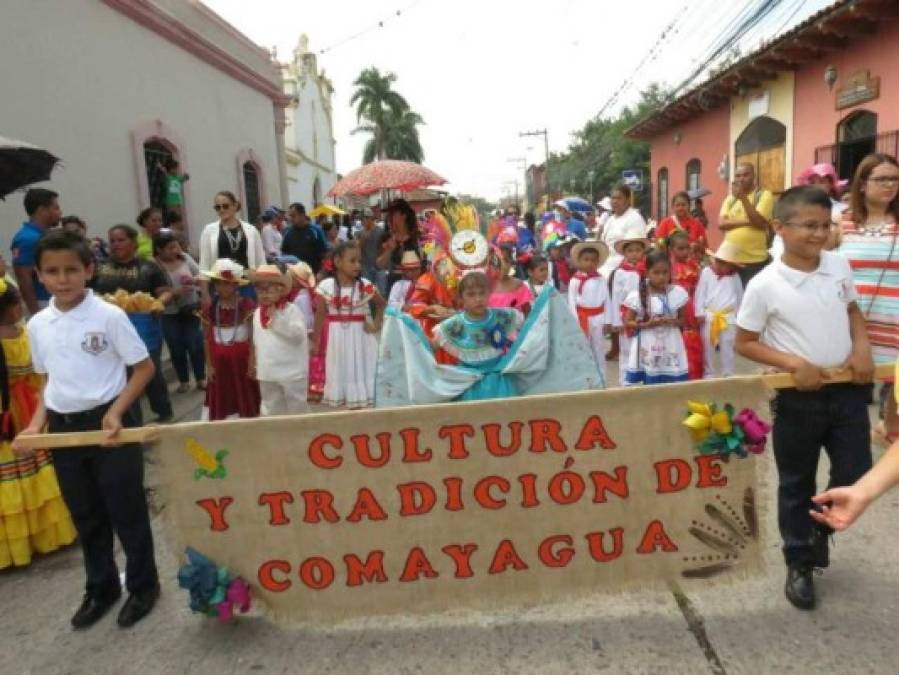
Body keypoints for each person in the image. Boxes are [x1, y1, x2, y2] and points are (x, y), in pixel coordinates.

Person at [735, 185, 874, 611]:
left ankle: (819, 533)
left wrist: (863, 347)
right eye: (809, 226)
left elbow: (852, 311)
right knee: (797, 483)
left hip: (848, 390)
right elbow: (745, 341)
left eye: (825, 225)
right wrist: (793, 363)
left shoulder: (838, 264)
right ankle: (798, 562)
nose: (819, 235)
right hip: (798, 398)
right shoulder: (764, 285)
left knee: (857, 470)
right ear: (780, 227)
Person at [14, 230, 159, 629]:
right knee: (86, 514)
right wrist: (35, 424)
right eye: (52, 271)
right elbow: (47, 382)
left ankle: (144, 587)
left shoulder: (109, 316)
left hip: (110, 425)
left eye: (71, 270)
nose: (62, 279)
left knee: (125, 510)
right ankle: (101, 587)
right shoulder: (38, 324)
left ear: (89, 270)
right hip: (65, 431)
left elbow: (143, 368)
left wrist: (115, 412)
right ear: (40, 276)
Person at [0, 280, 77, 569]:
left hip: (7, 416)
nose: (21, 304)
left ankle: (16, 547)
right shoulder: (26, 333)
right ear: (9, 308)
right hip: (34, 408)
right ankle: (52, 533)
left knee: (10, 475)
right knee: (42, 466)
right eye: (17, 300)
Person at [838, 153, 899, 447]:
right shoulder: (840, 223)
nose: (890, 185)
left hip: (894, 326)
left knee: (895, 405)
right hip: (849, 326)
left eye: (895, 179)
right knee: (847, 404)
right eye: (882, 179)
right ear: (862, 184)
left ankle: (888, 433)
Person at [93, 225, 174, 423]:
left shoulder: (148, 267)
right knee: (122, 373)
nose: (116, 244)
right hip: (109, 326)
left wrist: (158, 303)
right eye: (112, 241)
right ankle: (131, 418)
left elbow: (166, 291)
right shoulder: (100, 267)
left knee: (148, 369)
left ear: (134, 242)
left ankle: (163, 409)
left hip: (143, 324)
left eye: (121, 240)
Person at [313, 242, 385, 409]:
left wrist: (375, 324)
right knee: (341, 371)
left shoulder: (364, 286)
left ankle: (361, 409)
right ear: (337, 262)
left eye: (359, 261)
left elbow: (382, 304)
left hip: (361, 337)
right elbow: (320, 314)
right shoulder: (327, 286)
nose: (357, 265)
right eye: (352, 261)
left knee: (361, 371)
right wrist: (315, 341)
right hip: (337, 338)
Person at [432, 272, 524, 401]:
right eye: (471, 294)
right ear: (461, 298)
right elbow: (430, 349)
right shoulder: (453, 325)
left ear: (489, 293)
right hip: (468, 385)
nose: (478, 299)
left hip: (500, 384)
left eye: (482, 293)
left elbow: (531, 329)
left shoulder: (503, 316)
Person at [199, 259, 260, 420]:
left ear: (236, 285)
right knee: (223, 392)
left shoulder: (246, 306)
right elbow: (206, 338)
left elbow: (253, 336)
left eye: (227, 284)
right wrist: (209, 366)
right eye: (218, 284)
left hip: (242, 360)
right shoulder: (210, 309)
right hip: (219, 362)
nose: (222, 288)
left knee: (244, 392)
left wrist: (252, 362)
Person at [622, 249, 689, 385]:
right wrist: (647, 325)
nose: (661, 277)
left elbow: (684, 320)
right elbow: (628, 322)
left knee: (671, 381)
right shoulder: (638, 295)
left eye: (665, 272)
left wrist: (671, 321)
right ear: (647, 273)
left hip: (671, 343)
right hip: (648, 343)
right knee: (649, 377)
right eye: (656, 273)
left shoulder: (677, 293)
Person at [250, 264, 309, 416]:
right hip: (268, 372)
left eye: (269, 289)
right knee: (271, 410)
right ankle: (275, 438)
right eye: (260, 289)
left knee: (298, 410)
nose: (264, 294)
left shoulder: (291, 310)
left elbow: (298, 336)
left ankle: (300, 437)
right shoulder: (257, 313)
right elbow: (258, 341)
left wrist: (276, 320)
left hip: (292, 372)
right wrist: (256, 364)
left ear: (281, 289)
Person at [154, 231, 205, 393]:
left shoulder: (185, 258)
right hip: (169, 313)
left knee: (194, 344)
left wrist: (194, 283)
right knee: (176, 347)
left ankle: (201, 378)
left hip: (191, 308)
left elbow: (201, 275)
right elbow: (153, 289)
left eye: (175, 246)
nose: (175, 250)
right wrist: (174, 292)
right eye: (169, 248)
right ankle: (183, 381)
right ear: (159, 250)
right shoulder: (154, 265)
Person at [198, 191, 266, 306]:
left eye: (225, 206)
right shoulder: (209, 231)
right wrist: (205, 294)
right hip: (221, 288)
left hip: (247, 286)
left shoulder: (251, 230)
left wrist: (262, 289)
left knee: (248, 320)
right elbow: (204, 264)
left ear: (235, 206)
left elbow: (261, 262)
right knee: (224, 322)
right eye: (217, 207)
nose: (221, 210)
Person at [719, 163, 775, 286]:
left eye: (745, 175)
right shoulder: (730, 199)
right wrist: (747, 221)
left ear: (754, 176)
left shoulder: (764, 195)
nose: (741, 179)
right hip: (731, 260)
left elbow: (758, 223)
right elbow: (721, 223)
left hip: (755, 262)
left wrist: (744, 199)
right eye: (738, 176)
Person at [694, 241, 743, 378]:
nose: (720, 266)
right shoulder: (706, 273)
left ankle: (728, 372)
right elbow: (700, 293)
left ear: (731, 265)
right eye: (718, 262)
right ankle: (708, 372)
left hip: (728, 317)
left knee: (728, 345)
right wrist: (699, 312)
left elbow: (740, 297)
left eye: (724, 263)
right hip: (710, 315)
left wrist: (739, 318)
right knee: (707, 346)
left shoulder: (735, 277)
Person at [12, 188, 61, 316]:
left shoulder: (45, 235)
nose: (60, 213)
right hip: (42, 304)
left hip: (53, 300)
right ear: (42, 210)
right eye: (55, 208)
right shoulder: (27, 238)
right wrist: (35, 313)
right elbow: (23, 278)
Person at [568, 240, 611, 375]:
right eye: (586, 260)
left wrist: (607, 320)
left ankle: (601, 375)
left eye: (593, 260)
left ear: (597, 262)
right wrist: (575, 322)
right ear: (579, 261)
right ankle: (585, 375)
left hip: (598, 317)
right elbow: (571, 302)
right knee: (583, 347)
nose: (590, 263)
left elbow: (607, 300)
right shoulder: (575, 280)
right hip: (582, 318)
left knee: (598, 347)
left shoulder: (601, 279)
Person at [609, 236, 648, 386]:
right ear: (624, 253)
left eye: (638, 250)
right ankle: (624, 380)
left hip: (642, 315)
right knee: (626, 349)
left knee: (642, 348)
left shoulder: (646, 270)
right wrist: (616, 320)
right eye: (630, 251)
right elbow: (615, 297)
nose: (634, 254)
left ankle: (641, 378)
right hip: (625, 315)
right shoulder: (619, 272)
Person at [669, 230, 703, 380]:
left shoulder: (695, 266)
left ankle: (693, 373)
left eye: (687, 248)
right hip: (674, 307)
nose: (685, 252)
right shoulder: (668, 267)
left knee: (692, 340)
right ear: (671, 249)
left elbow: (700, 288)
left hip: (692, 305)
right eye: (680, 249)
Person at [599, 185, 647, 275]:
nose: (615, 201)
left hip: (622, 267)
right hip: (604, 263)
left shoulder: (635, 218)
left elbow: (634, 252)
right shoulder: (610, 219)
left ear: (628, 200)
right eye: (613, 198)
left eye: (619, 198)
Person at [377, 198, 423, 293]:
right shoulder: (386, 237)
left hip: (416, 286)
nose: (389, 218)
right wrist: (389, 250)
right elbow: (379, 265)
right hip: (393, 287)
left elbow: (426, 264)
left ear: (404, 215)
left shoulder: (418, 238)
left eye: (393, 214)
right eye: (389, 214)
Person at [656, 191, 707, 260]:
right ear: (673, 207)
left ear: (689, 206)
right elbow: (659, 242)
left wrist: (697, 246)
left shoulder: (697, 224)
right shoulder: (665, 223)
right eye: (677, 205)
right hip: (671, 264)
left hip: (692, 265)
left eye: (683, 205)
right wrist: (664, 244)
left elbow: (705, 247)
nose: (680, 208)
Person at [281, 202, 327, 275]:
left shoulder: (315, 231)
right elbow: (284, 253)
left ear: (302, 215)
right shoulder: (288, 232)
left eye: (293, 216)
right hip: (294, 275)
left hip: (313, 274)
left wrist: (322, 273)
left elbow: (325, 254)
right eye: (290, 216)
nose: (290, 219)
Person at [490, 246, 533, 315]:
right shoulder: (486, 287)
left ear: (511, 263)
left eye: (506, 261)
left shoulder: (518, 285)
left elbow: (528, 313)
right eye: (496, 262)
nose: (502, 265)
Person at [357, 207, 385, 294]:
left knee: (382, 291)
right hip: (366, 266)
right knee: (368, 292)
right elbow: (357, 250)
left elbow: (384, 248)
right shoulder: (360, 233)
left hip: (379, 266)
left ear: (370, 218)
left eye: (363, 219)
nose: (362, 222)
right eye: (361, 219)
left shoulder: (381, 231)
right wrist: (363, 239)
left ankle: (382, 307)